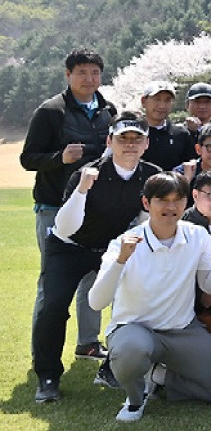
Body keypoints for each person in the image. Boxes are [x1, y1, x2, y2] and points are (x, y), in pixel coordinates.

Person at [32, 113, 158, 404]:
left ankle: (111, 366)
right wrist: (82, 189)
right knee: (52, 307)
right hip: (67, 248)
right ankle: (48, 376)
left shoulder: (151, 175)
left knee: (135, 304)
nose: (129, 144)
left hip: (110, 250)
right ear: (109, 141)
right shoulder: (87, 172)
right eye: (122, 138)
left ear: (146, 144)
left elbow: (145, 218)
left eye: (136, 139)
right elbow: (65, 227)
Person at [87, 172, 211, 422]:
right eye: (162, 200)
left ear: (187, 202)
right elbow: (96, 302)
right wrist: (121, 260)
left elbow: (210, 287)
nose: (170, 206)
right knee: (131, 350)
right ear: (146, 203)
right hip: (134, 329)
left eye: (177, 199)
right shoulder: (123, 243)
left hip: (181, 330)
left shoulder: (197, 236)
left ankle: (158, 377)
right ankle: (135, 399)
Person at [21, 48, 115, 365]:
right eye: (82, 72)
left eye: (95, 73)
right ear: (68, 75)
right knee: (52, 281)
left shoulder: (108, 110)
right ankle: (44, 354)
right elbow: (27, 159)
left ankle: (88, 342)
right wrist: (59, 158)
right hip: (53, 206)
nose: (89, 79)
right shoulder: (50, 111)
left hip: (95, 208)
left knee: (94, 274)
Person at [140, 82, 195, 172]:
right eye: (157, 99)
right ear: (143, 101)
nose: (162, 106)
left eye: (167, 100)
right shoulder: (134, 133)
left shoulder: (181, 134)